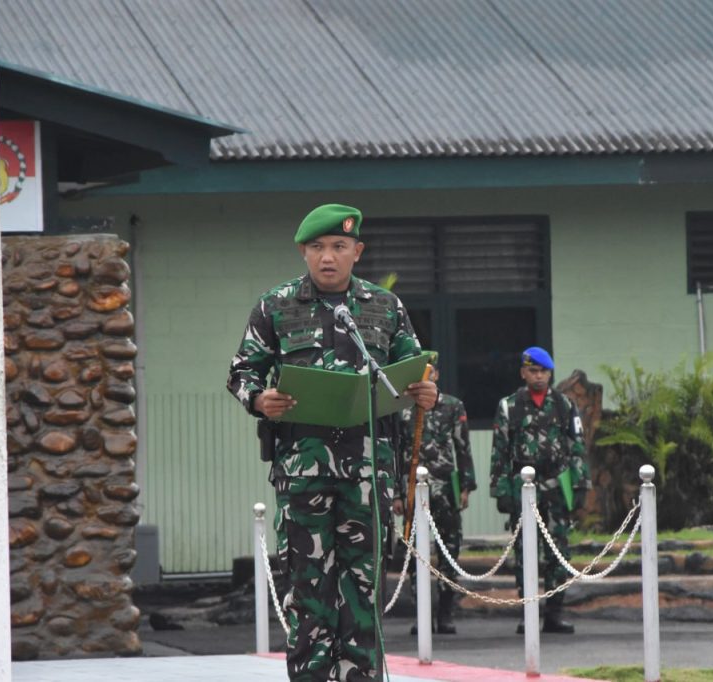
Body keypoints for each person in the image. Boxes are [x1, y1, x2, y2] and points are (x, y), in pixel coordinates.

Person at [227, 203, 437, 682]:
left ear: (356, 252)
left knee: (362, 587)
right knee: (308, 589)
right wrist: (261, 400)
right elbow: (241, 372)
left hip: (368, 473)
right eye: (318, 247)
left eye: (339, 247)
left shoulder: (384, 308)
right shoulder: (275, 305)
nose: (328, 257)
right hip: (304, 475)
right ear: (303, 251)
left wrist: (428, 388)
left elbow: (416, 367)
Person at [489, 346, 588, 634]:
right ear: (523, 372)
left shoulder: (564, 405)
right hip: (524, 488)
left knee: (559, 552)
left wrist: (581, 483)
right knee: (525, 552)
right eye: (533, 371)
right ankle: (528, 611)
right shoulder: (509, 405)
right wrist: (501, 490)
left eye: (544, 371)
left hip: (557, 486)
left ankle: (555, 613)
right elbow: (500, 452)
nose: (539, 376)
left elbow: (577, 447)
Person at [392, 361, 476, 635]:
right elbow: (394, 452)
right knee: (416, 554)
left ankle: (446, 614)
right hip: (412, 490)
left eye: (430, 372)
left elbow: (462, 447)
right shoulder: (401, 408)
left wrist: (465, 486)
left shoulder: (453, 406)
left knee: (449, 552)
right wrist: (395, 493)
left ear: (437, 375)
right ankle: (422, 615)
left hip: (445, 489)